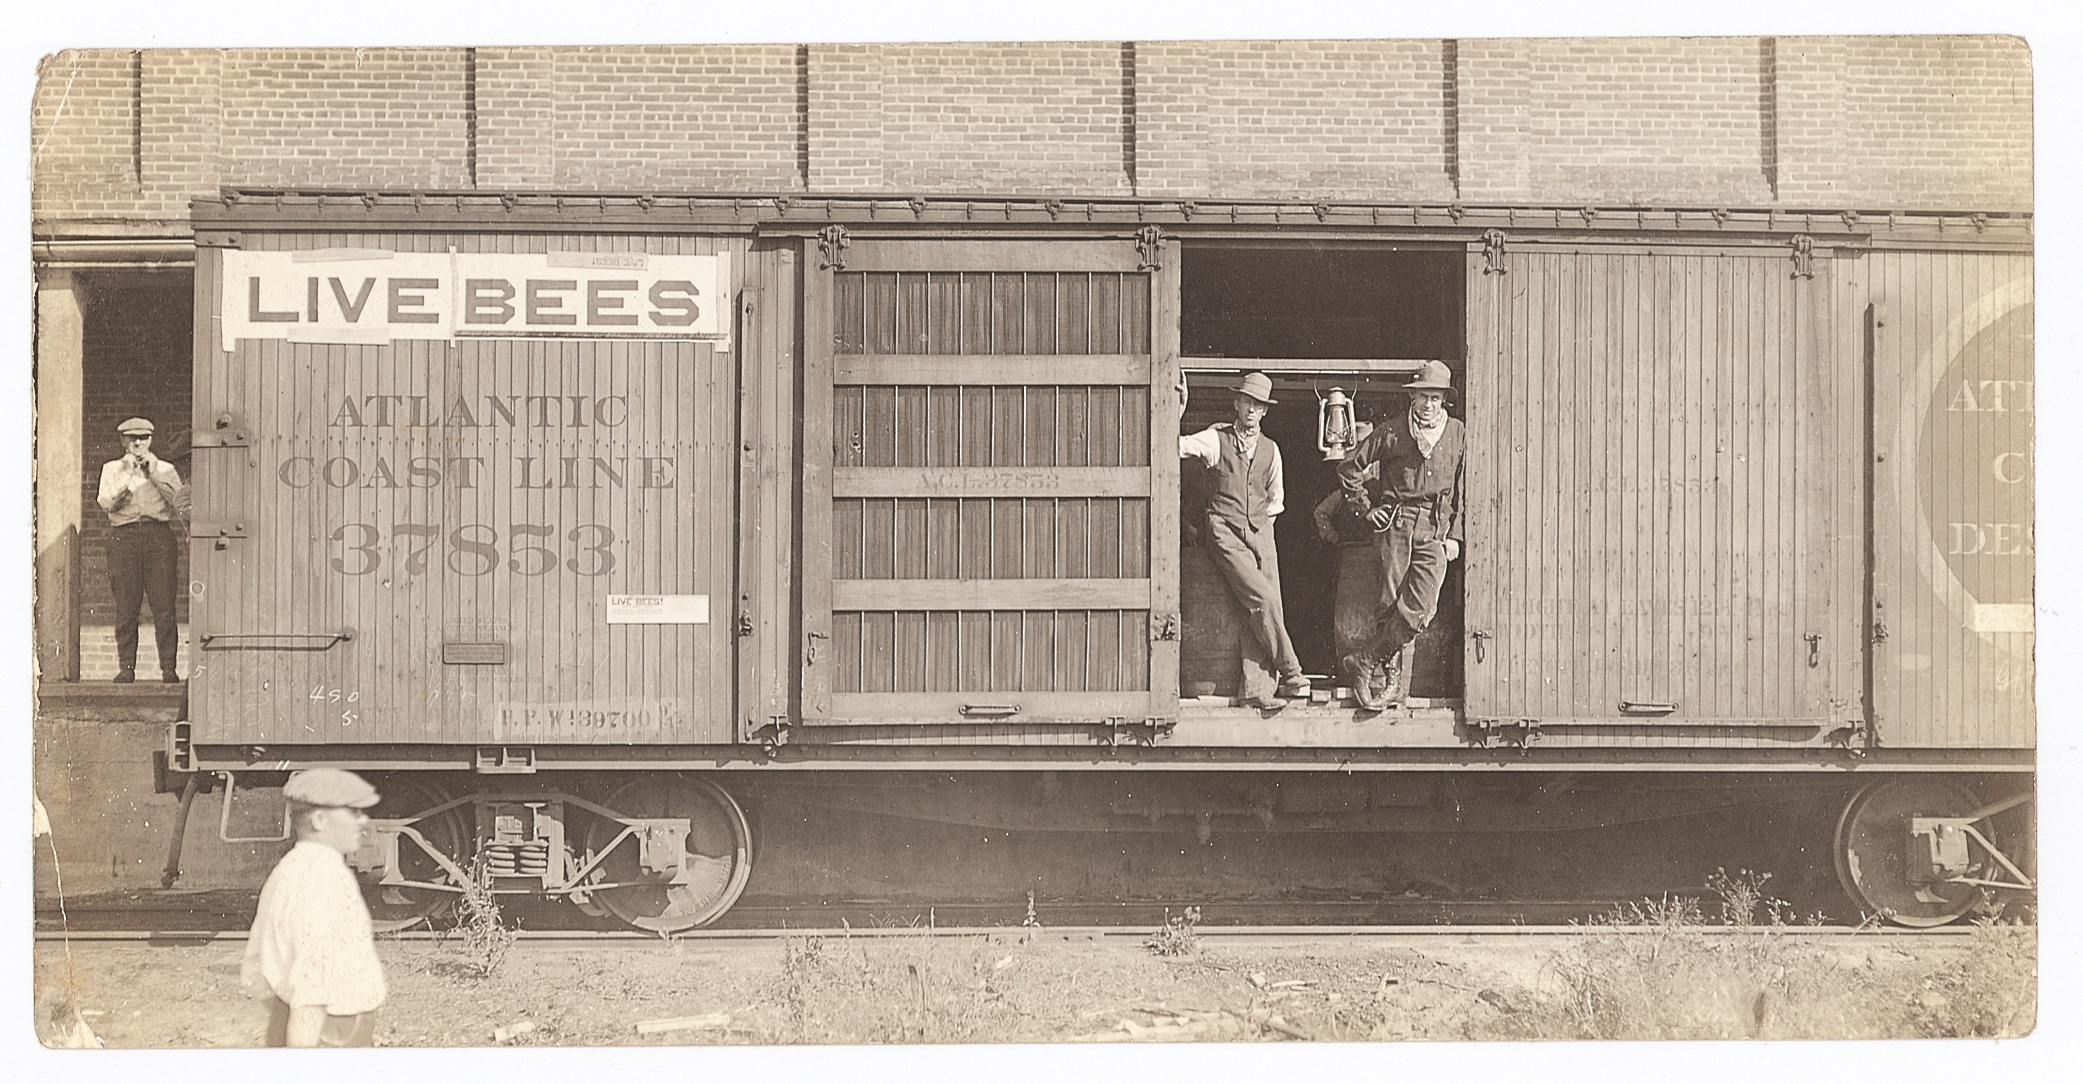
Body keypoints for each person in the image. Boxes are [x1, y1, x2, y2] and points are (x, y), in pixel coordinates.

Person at [1336, 362, 1466, 711]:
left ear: (1444, 400)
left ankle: (1364, 660)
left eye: (1435, 398)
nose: (1428, 404)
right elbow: (1349, 467)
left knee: (1421, 609)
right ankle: (1391, 683)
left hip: (1435, 526)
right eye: (1423, 396)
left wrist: (1454, 535)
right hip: (1396, 523)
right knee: (1390, 603)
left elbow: (1462, 488)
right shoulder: (1392, 431)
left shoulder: (1457, 433)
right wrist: (1365, 508)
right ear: (1413, 397)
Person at [1181, 372, 1311, 709]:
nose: (1252, 409)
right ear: (1236, 403)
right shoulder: (1216, 439)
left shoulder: (1271, 450)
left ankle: (1257, 689)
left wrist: (1260, 531)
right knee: (1263, 599)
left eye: (1258, 405)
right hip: (1223, 530)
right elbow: (1177, 446)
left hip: (1261, 529)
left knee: (1268, 604)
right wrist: (1176, 411)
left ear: (1265, 411)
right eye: (1247, 402)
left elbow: (1275, 500)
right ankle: (1292, 672)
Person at [242, 769, 387, 1047]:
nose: (363, 820)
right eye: (353, 812)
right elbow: (312, 987)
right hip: (329, 1037)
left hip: (302, 1025)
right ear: (320, 820)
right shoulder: (321, 878)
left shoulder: (291, 868)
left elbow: (255, 972)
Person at [94, 416, 189, 683]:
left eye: (143, 437)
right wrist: (128, 479)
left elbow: (179, 502)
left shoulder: (166, 469)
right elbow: (106, 503)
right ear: (122, 441)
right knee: (126, 605)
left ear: (150, 440)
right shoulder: (111, 469)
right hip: (124, 537)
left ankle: (168, 668)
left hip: (158, 536)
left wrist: (153, 475)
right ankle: (126, 668)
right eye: (132, 438)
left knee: (164, 605)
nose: (138, 443)